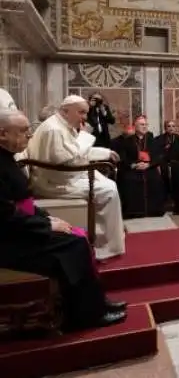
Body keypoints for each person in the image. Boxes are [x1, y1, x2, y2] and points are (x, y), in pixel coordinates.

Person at [0, 109, 127, 331]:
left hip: (20, 228)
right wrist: (47, 224)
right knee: (74, 245)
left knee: (77, 235)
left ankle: (96, 304)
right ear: (3, 134)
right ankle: (83, 316)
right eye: (23, 131)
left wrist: (48, 218)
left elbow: (21, 203)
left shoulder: (6, 158)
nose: (29, 135)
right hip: (9, 240)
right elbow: (5, 214)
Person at [25, 95, 125, 261]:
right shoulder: (54, 129)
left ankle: (110, 238)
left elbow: (75, 153)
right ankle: (108, 243)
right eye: (81, 113)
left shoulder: (62, 125)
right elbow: (66, 159)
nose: (85, 117)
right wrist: (85, 135)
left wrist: (106, 153)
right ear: (65, 111)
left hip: (64, 176)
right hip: (54, 183)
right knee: (108, 190)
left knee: (108, 184)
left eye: (85, 113)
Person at [115, 116, 167, 219]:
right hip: (134, 169)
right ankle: (134, 212)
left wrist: (149, 164)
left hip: (150, 168)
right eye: (142, 124)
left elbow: (159, 157)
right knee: (129, 181)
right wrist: (133, 165)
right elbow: (123, 158)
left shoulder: (153, 141)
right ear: (135, 126)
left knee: (156, 180)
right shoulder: (127, 141)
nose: (144, 126)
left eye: (146, 124)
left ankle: (154, 211)